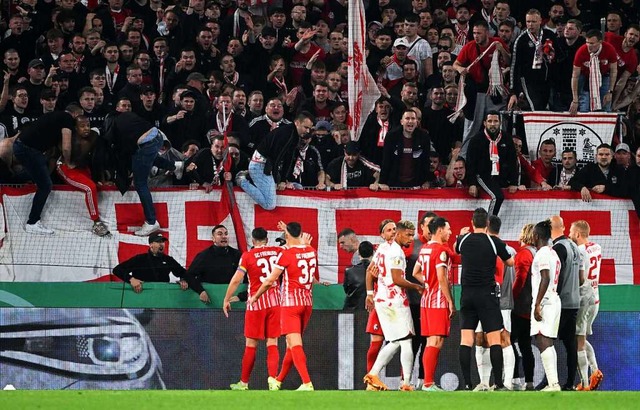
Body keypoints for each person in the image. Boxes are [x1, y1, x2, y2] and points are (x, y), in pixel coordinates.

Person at [249, 221, 318, 391]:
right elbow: (299, 241)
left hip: (290, 305)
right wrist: (289, 230)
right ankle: (278, 380)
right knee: (291, 344)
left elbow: (270, 281)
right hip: (307, 303)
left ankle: (306, 382)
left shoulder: (286, 254)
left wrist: (255, 297)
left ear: (286, 235)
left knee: (295, 344)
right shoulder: (311, 251)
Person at [455, 207, 514, 391]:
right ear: (487, 224)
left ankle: (467, 384)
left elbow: (456, 250)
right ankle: (498, 383)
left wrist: (461, 234)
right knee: (495, 339)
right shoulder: (493, 241)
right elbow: (510, 262)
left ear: (472, 223)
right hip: (486, 295)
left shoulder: (463, 239)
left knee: (466, 340)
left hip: (467, 295)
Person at [363, 220, 423, 392]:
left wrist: (369, 294)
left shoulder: (382, 248)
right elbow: (397, 279)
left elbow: (370, 271)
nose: (411, 239)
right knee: (403, 340)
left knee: (400, 341)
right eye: (408, 235)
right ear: (399, 234)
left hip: (382, 300)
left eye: (413, 235)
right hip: (394, 301)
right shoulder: (396, 252)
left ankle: (403, 383)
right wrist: (416, 286)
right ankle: (399, 381)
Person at [103, 109, 184, 236]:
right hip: (158, 137)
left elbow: (123, 152)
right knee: (147, 157)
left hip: (147, 145)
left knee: (140, 184)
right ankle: (175, 166)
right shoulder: (128, 115)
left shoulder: (115, 126)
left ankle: (151, 222)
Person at [223, 228, 282, 391]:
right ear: (267, 239)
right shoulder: (277, 251)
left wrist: (226, 299)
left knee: (251, 344)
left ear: (253, 240)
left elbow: (236, 281)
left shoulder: (248, 256)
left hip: (256, 304)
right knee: (273, 343)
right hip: (275, 303)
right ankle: (273, 381)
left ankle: (244, 383)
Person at [12, 105, 83, 235]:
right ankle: (32, 222)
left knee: (36, 175)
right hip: (29, 149)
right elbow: (66, 147)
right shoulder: (67, 118)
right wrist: (69, 163)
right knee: (45, 186)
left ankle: (9, 178)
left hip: (20, 145)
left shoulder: (54, 116)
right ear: (75, 114)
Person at [236, 111, 314, 210]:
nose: (307, 131)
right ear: (297, 123)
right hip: (260, 166)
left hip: (266, 167)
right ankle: (242, 180)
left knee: (297, 187)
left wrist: (283, 180)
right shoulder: (286, 133)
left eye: (309, 129)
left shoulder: (294, 135)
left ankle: (249, 179)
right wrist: (278, 181)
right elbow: (276, 158)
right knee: (270, 205)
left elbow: (288, 159)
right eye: (305, 127)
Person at [412, 217, 455, 391]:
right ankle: (428, 383)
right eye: (448, 229)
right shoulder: (440, 251)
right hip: (438, 301)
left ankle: (428, 382)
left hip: (426, 300)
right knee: (435, 341)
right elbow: (442, 277)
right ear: (439, 230)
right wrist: (450, 300)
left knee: (431, 341)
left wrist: (428, 283)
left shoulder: (425, 249)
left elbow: (416, 272)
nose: (450, 232)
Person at [56, 116, 110, 237]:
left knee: (96, 186)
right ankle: (96, 223)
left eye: (88, 125)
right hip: (67, 167)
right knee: (90, 188)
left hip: (82, 167)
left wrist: (102, 179)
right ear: (76, 128)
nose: (86, 128)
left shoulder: (94, 137)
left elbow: (98, 160)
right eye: (82, 126)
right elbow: (60, 154)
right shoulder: (69, 138)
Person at [569, 220, 604, 391]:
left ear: (578, 234)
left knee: (579, 341)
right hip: (596, 298)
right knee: (581, 338)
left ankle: (584, 383)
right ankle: (595, 371)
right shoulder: (596, 247)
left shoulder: (580, 251)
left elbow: (580, 277)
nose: (569, 235)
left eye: (571, 232)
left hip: (584, 298)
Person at [550, 215, 582, 391]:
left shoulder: (558, 248)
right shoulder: (574, 247)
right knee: (570, 344)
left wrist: (553, 298)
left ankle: (551, 381)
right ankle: (570, 382)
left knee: (548, 341)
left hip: (561, 302)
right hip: (574, 300)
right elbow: (581, 277)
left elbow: (557, 277)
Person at [530, 220, 563, 392]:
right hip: (554, 299)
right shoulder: (553, 253)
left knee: (543, 339)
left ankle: (553, 384)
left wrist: (537, 303)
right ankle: (553, 383)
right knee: (546, 341)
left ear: (536, 236)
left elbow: (545, 277)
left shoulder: (542, 253)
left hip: (545, 301)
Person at [465, 111, 518, 216]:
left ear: (500, 122)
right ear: (485, 123)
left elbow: (512, 161)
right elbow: (470, 164)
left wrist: (514, 182)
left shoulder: (507, 139)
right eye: (490, 121)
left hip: (501, 176)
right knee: (497, 197)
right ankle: (489, 224)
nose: (493, 124)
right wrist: (472, 183)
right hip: (483, 176)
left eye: (495, 121)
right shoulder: (476, 140)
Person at [112, 233, 188, 293]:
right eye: (158, 242)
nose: (162, 244)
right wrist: (131, 279)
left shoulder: (168, 260)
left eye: (163, 242)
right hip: (141, 294)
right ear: (151, 245)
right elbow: (117, 270)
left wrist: (183, 279)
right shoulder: (140, 258)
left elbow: (183, 273)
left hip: (161, 295)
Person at [185, 225, 242, 304]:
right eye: (220, 234)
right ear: (213, 239)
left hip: (230, 299)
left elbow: (247, 275)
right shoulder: (204, 256)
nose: (224, 236)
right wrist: (200, 291)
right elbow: (189, 275)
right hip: (208, 300)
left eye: (226, 234)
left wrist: (243, 295)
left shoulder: (237, 254)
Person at [511, 223, 536, 391]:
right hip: (532, 306)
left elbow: (520, 279)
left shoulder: (523, 254)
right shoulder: (538, 252)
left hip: (520, 306)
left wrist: (511, 298)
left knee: (509, 342)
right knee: (526, 345)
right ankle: (529, 381)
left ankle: (513, 379)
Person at [570, 30, 618, 115]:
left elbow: (613, 71)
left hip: (604, 75)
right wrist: (575, 100)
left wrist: (610, 91)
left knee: (606, 103)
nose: (589, 46)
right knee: (584, 105)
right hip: (585, 76)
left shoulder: (609, 49)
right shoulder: (581, 51)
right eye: (587, 42)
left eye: (592, 43)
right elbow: (575, 76)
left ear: (600, 42)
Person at [343, 241, 374, 310]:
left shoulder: (349, 271)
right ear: (372, 253)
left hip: (353, 309)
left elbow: (346, 289)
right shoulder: (377, 271)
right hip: (371, 309)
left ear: (358, 253)